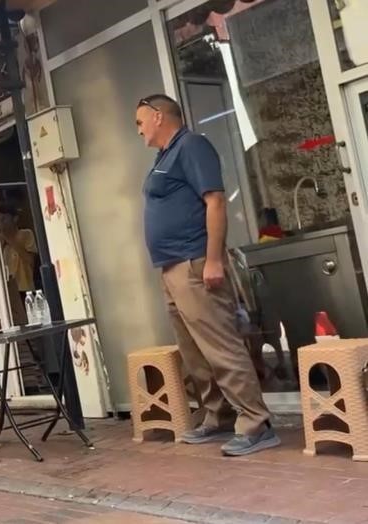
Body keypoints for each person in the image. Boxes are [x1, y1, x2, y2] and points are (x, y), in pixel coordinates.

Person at [135, 94, 278, 456]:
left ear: (158, 116)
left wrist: (213, 260)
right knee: (195, 352)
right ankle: (219, 415)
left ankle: (256, 423)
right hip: (171, 267)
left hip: (195, 261)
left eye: (140, 122)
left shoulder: (192, 146)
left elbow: (214, 202)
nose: (138, 130)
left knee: (220, 346)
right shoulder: (164, 156)